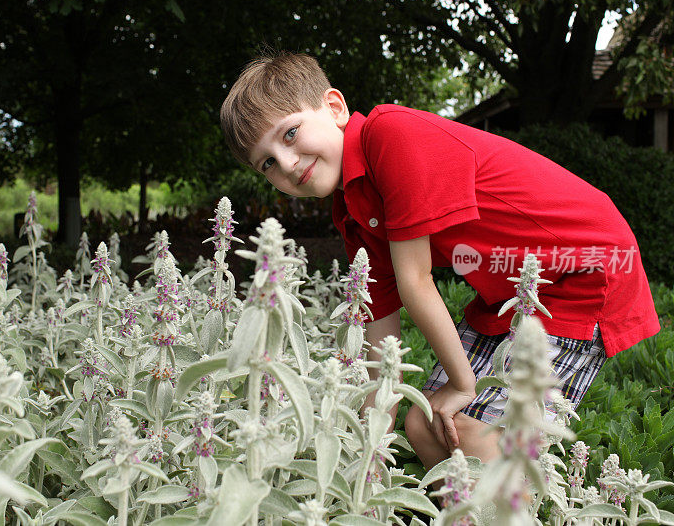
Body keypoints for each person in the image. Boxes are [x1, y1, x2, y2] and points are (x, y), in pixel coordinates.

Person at [219, 52, 660, 470]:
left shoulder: (392, 134)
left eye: (290, 133)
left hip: (583, 271)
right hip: (512, 293)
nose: (288, 163)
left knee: (473, 432)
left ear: (334, 106)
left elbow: (415, 280)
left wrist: (465, 384)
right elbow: (379, 331)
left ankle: (510, 505)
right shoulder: (351, 210)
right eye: (268, 164)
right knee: (426, 423)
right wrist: (367, 449)